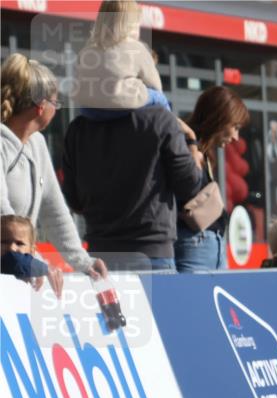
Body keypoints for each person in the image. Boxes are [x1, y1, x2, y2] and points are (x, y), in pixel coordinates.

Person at [62, 73, 203, 271]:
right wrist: (192, 145)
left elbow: (74, 200)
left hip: (100, 256)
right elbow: (189, 186)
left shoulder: (77, 129)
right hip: (152, 254)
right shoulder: (161, 119)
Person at [1, 54, 106, 279]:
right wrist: (35, 264)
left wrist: (83, 262)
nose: (56, 110)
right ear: (40, 107)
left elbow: (54, 211)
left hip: (17, 273)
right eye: (56, 103)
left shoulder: (37, 143)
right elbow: (3, 217)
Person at [175, 86, 249, 271]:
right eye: (235, 127)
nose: (235, 137)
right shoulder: (186, 146)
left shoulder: (202, 151)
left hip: (210, 243)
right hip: (195, 243)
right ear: (219, 118)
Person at [73, 0, 171, 118]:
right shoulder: (136, 48)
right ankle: (172, 126)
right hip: (121, 106)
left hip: (90, 110)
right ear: (132, 25)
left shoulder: (86, 50)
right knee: (160, 97)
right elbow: (155, 85)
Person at [1, 214, 63, 297]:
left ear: (32, 250)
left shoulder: (35, 276)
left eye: (19, 243)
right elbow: (15, 262)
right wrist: (44, 268)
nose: (12, 248)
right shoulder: (38, 269)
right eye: (4, 242)